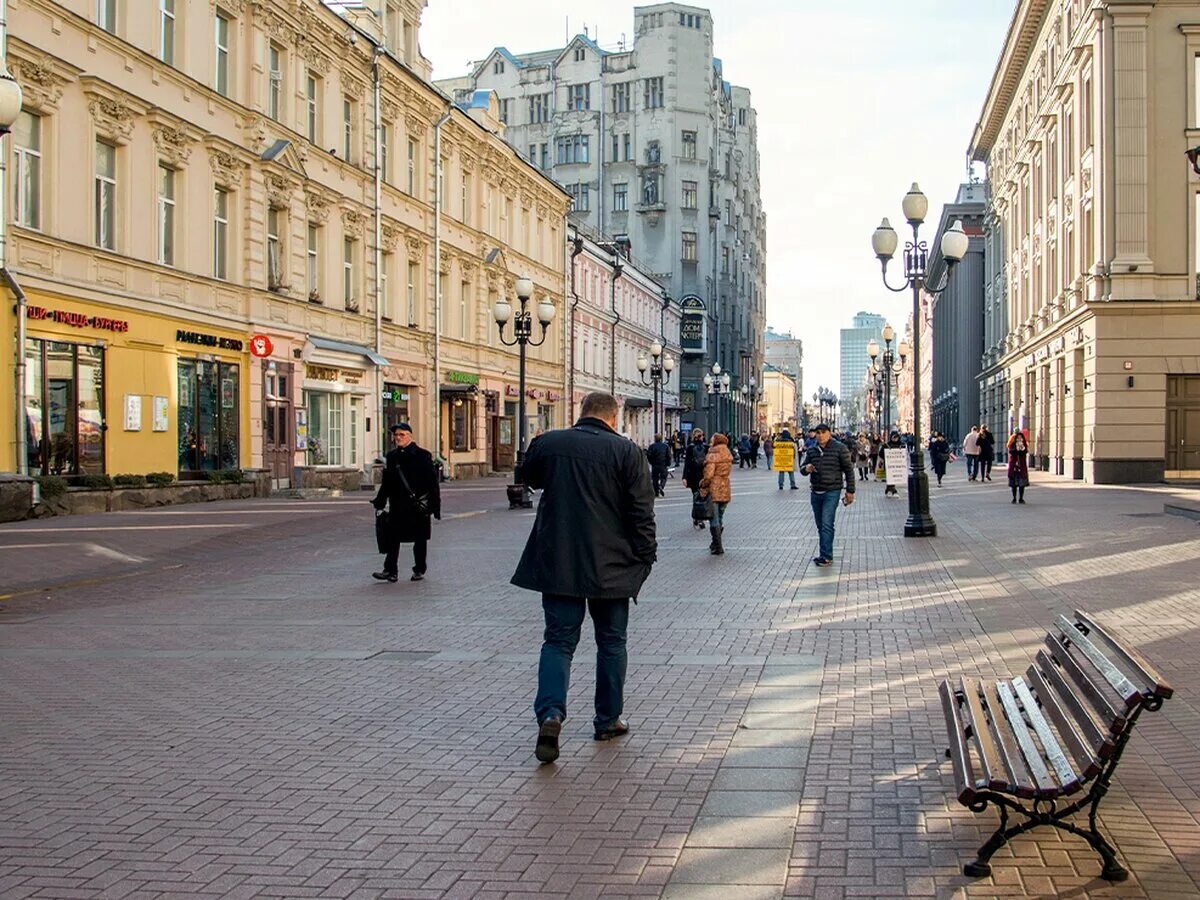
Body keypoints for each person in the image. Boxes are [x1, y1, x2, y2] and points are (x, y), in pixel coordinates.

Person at [511, 392, 657, 764]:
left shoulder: (549, 443)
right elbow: (641, 512)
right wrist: (645, 556)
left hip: (558, 561)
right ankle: (608, 719)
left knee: (558, 642)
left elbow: (528, 478)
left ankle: (550, 714)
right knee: (611, 643)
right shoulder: (627, 452)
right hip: (612, 565)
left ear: (581, 413)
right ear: (613, 416)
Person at [372, 423, 441, 583]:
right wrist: (380, 501)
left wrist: (435, 506)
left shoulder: (423, 455)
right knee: (392, 537)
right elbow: (387, 481)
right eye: (396, 435)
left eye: (402, 435)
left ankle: (419, 569)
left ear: (410, 436)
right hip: (398, 504)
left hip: (418, 505)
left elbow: (432, 483)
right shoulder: (392, 456)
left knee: (419, 538)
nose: (398, 438)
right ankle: (390, 571)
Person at [800, 423, 855, 567]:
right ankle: (824, 552)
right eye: (817, 432)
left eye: (823, 432)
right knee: (820, 525)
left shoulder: (839, 448)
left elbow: (849, 470)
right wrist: (806, 468)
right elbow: (802, 469)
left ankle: (826, 556)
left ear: (829, 433)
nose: (820, 435)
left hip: (832, 491)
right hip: (816, 491)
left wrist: (850, 491)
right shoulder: (812, 450)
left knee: (826, 523)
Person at [699, 432, 734, 555]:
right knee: (720, 516)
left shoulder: (713, 454)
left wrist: (702, 483)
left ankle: (718, 546)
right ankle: (715, 543)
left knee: (714, 518)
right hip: (725, 487)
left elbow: (709, 475)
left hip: (714, 488)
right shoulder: (727, 453)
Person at [682, 428, 709, 529]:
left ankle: (696, 517)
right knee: (702, 497)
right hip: (703, 475)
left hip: (692, 476)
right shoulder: (706, 447)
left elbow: (687, 464)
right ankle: (700, 518)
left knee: (695, 497)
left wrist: (684, 477)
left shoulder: (690, 447)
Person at [1007, 431, 1030, 504]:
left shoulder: (1024, 445)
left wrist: (1022, 449)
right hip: (1014, 467)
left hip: (1022, 467)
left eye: (1021, 438)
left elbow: (1025, 451)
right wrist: (1016, 449)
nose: (1019, 439)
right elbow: (1010, 452)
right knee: (1014, 484)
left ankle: (1021, 498)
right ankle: (1014, 498)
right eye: (1018, 438)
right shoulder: (1013, 445)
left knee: (1021, 484)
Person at [646, 433, 672, 497]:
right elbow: (669, 455)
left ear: (655, 439)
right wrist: (668, 463)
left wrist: (651, 462)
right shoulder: (665, 446)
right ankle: (661, 486)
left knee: (655, 478)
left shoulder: (652, 446)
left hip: (655, 465)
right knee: (664, 477)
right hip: (663, 464)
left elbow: (649, 455)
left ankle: (656, 491)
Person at [884, 430, 904, 496]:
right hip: (889, 464)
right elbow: (881, 454)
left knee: (894, 477)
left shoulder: (901, 444)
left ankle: (890, 489)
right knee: (890, 477)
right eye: (894, 437)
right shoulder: (887, 444)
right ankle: (891, 489)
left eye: (896, 437)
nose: (895, 439)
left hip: (897, 464)